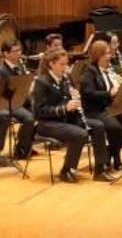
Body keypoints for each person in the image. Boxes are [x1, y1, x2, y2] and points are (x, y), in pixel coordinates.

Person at [32, 48, 114, 182]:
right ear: (51, 64)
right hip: (47, 123)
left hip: (67, 119)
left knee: (98, 126)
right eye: (62, 64)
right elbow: (39, 110)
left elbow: (70, 98)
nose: (65, 68)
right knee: (79, 134)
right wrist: (65, 108)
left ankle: (100, 169)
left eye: (66, 64)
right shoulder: (42, 82)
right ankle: (66, 170)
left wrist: (76, 98)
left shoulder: (66, 78)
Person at [81, 40, 122, 170]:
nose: (110, 57)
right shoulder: (89, 72)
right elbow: (89, 94)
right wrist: (109, 93)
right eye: (107, 54)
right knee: (115, 128)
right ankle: (117, 160)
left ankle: (109, 152)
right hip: (96, 110)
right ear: (98, 56)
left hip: (112, 107)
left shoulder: (110, 69)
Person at [0, 39, 35, 160]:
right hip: (5, 103)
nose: (19, 53)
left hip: (17, 101)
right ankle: (10, 151)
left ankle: (23, 147)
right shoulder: (2, 71)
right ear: (6, 54)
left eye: (19, 50)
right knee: (25, 118)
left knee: (35, 112)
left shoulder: (20, 66)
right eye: (15, 51)